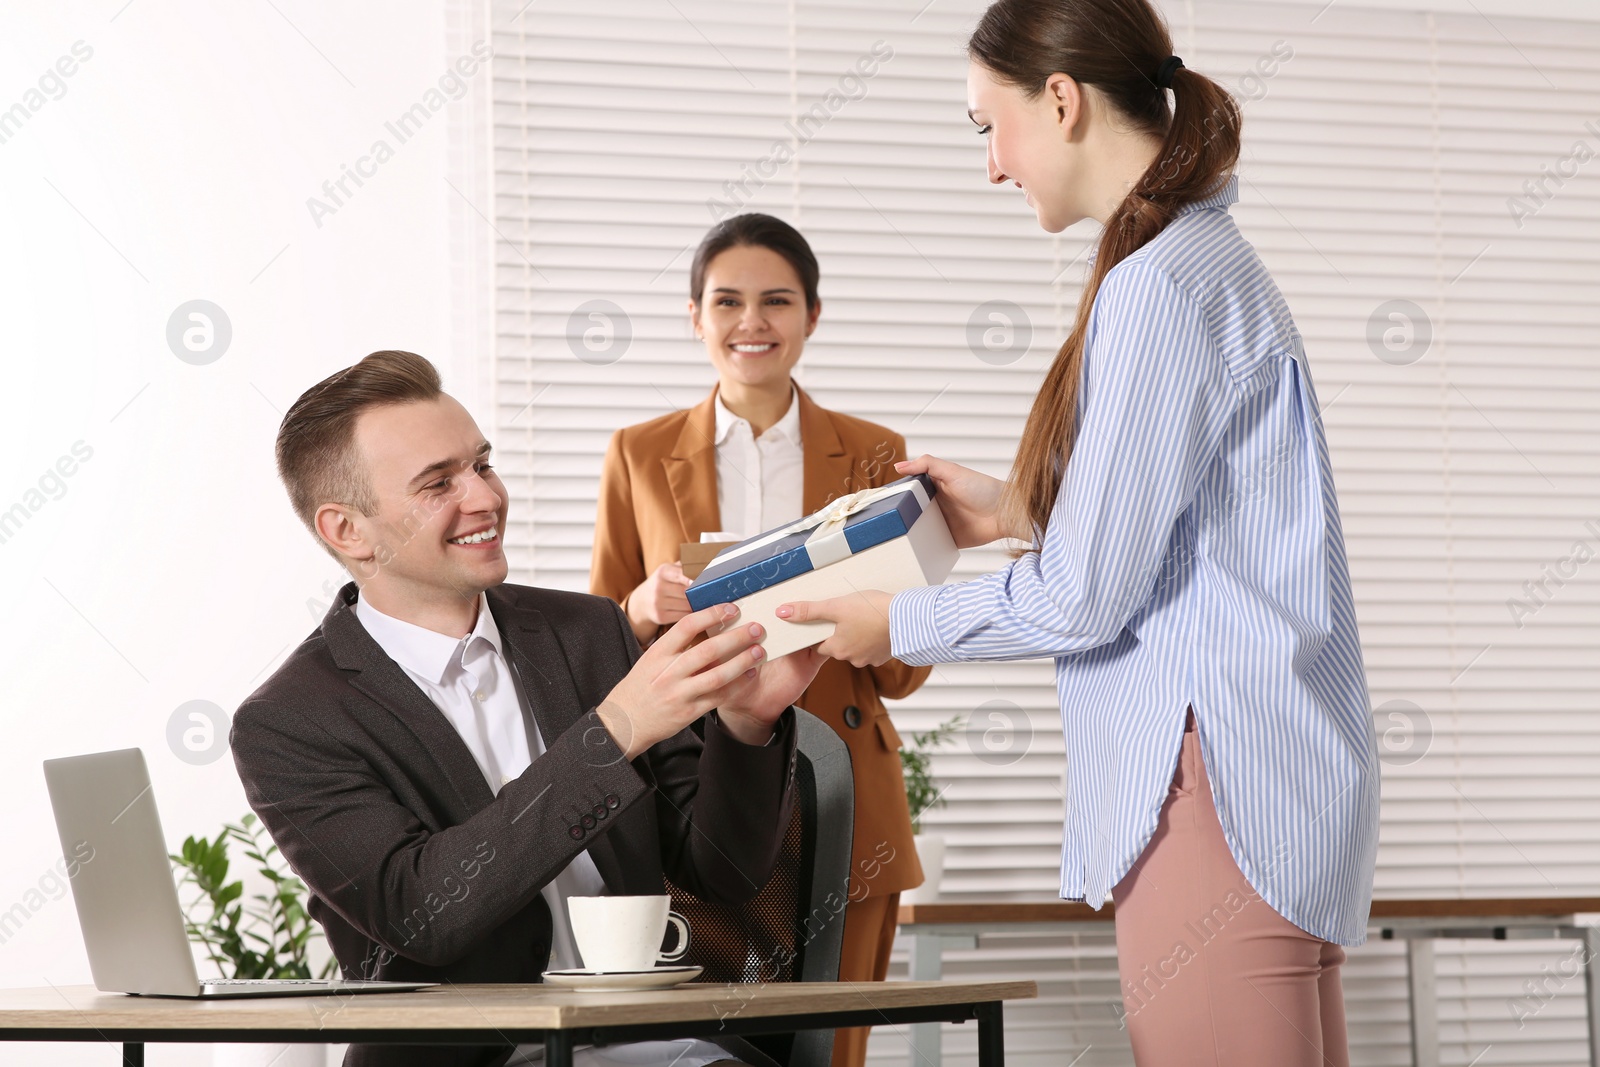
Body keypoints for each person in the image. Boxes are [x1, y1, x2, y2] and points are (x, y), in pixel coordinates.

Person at [775, 2, 1380, 1064]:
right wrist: (1019, 510)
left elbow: (1087, 598)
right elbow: (1209, 529)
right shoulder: (1210, 262)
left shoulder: (1153, 288)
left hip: (1209, 780)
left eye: (986, 127)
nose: (993, 169)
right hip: (1280, 774)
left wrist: (893, 620)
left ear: (1060, 100)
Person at [231, 350, 824, 1067]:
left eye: (482, 464)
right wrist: (613, 733)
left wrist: (747, 721)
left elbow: (721, 872)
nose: (483, 497)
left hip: (651, 1044)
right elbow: (424, 914)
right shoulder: (290, 720)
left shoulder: (588, 633)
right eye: (437, 483)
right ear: (347, 530)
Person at [589, 213, 929, 1067]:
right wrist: (638, 605)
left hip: (841, 783)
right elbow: (597, 643)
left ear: (813, 314)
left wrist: (871, 605)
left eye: (777, 300)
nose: (753, 322)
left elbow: (904, 665)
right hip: (695, 788)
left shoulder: (874, 452)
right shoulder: (637, 452)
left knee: (832, 1049)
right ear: (694, 315)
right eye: (728, 300)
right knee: (700, 1045)